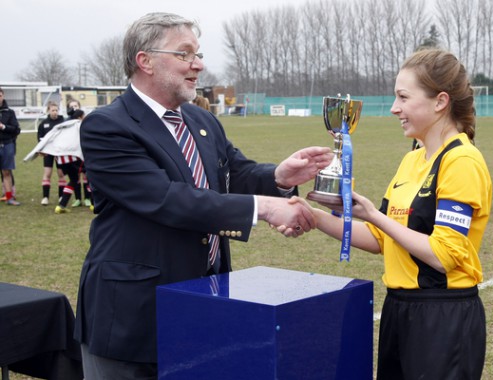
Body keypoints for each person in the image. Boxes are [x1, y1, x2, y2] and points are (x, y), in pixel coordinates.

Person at [74, 12, 332, 379]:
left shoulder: (202, 120)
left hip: (203, 301)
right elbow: (166, 199)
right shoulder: (107, 126)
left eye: (198, 54)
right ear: (144, 61)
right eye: (185, 54)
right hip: (133, 315)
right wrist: (266, 208)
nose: (198, 65)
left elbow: (235, 173)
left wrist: (278, 176)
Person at [290, 49, 492, 379]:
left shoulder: (462, 162)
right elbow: (380, 239)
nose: (394, 108)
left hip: (442, 316)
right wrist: (314, 217)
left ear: (440, 101)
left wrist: (374, 214)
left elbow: (443, 257)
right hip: (399, 310)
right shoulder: (412, 160)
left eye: (403, 97)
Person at [53, 109, 85, 214]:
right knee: (90, 176)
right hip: (74, 158)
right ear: (80, 117)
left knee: (74, 179)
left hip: (61, 159)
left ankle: (61, 205)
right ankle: (94, 203)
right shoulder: (78, 125)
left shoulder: (64, 125)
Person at [37, 102, 67, 205]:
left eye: (56, 110)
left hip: (60, 152)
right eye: (52, 110)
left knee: (61, 174)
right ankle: (45, 197)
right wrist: (41, 149)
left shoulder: (63, 122)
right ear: (48, 111)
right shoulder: (43, 123)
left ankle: (61, 197)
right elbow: (40, 137)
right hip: (48, 152)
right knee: (47, 173)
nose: (55, 112)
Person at [0, 87, 21, 206]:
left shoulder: (9, 112)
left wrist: (3, 127)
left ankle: (9, 197)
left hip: (7, 144)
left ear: (3, 96)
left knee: (6, 172)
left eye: (0, 95)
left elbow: (16, 129)